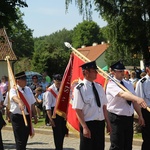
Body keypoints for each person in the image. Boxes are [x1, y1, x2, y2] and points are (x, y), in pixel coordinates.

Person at [106, 60, 147, 150]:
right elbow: (123, 94)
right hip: (116, 118)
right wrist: (137, 98)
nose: (122, 73)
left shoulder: (128, 84)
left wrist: (140, 115)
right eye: (119, 71)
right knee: (117, 146)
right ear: (113, 72)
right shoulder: (111, 84)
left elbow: (134, 101)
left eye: (123, 71)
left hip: (128, 118)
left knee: (127, 145)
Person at [72, 61, 111, 150]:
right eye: (94, 71)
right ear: (86, 72)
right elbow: (78, 110)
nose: (96, 73)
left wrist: (108, 122)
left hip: (100, 123)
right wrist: (85, 127)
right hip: (88, 123)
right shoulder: (80, 89)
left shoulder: (99, 87)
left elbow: (104, 106)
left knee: (99, 147)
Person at [9, 71, 38, 150]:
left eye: (25, 79)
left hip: (27, 116)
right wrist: (20, 102)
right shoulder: (13, 90)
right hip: (17, 117)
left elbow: (32, 103)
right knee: (19, 140)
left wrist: (35, 115)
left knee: (25, 138)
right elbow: (14, 97)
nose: (25, 81)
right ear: (18, 81)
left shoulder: (28, 89)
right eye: (23, 79)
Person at [45, 74, 68, 150]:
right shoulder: (50, 91)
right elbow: (48, 106)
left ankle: (60, 147)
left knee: (63, 132)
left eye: (60, 82)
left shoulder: (63, 88)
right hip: (54, 113)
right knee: (57, 133)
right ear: (54, 81)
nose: (59, 83)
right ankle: (58, 148)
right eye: (57, 82)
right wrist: (50, 119)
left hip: (62, 112)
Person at [135, 61, 150, 150]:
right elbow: (138, 100)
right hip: (147, 112)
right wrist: (140, 116)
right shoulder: (142, 82)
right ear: (147, 69)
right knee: (148, 138)